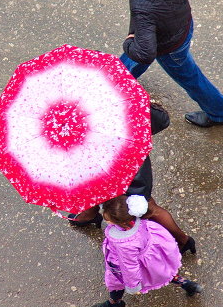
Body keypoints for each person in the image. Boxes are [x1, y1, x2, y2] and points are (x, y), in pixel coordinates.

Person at [114, 0, 223, 128]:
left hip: (169, 45)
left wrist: (128, 42)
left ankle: (221, 114)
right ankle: (116, 81)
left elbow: (146, 53)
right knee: (138, 48)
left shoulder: (142, 4)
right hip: (183, 24)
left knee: (190, 77)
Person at [67, 102, 196, 256]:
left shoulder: (116, 98)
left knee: (145, 206)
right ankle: (90, 213)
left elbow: (158, 120)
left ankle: (183, 240)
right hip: (102, 157)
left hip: (127, 162)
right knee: (93, 186)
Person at [90, 194, 201, 307]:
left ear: (119, 222)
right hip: (152, 258)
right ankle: (187, 284)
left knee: (116, 282)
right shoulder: (135, 219)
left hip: (125, 264)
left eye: (107, 218)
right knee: (163, 273)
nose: (104, 218)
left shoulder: (124, 243)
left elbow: (129, 266)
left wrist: (133, 285)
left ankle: (114, 302)